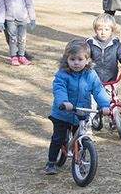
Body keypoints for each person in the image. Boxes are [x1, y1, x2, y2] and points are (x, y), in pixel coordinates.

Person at [45, 40, 112, 174]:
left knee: (82, 137)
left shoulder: (91, 75)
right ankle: (51, 162)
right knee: (58, 138)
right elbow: (59, 89)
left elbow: (98, 90)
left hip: (81, 113)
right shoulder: (62, 74)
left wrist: (105, 105)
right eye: (72, 59)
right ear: (66, 60)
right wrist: (64, 102)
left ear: (87, 60)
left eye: (80, 59)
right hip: (63, 113)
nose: (76, 63)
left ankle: (80, 161)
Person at [0, 0, 36, 66]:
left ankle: (22, 56)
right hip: (10, 20)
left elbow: (29, 5)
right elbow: (1, 8)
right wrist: (1, 21)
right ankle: (13, 56)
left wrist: (32, 19)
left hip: (22, 20)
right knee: (13, 38)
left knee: (22, 39)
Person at [87, 13, 121, 84]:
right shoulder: (90, 43)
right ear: (95, 30)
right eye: (100, 29)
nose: (103, 32)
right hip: (92, 80)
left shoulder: (115, 44)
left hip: (111, 80)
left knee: (110, 94)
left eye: (106, 29)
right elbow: (82, 56)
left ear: (112, 30)